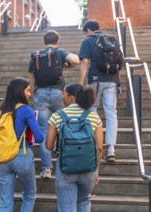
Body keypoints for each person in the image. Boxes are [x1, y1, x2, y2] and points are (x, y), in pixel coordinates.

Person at [28, 30, 80, 178]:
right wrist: (66, 66)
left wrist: (33, 91)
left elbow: (30, 75)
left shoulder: (36, 55)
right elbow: (76, 60)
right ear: (58, 41)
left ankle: (46, 169)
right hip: (59, 93)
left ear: (44, 42)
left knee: (44, 130)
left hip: (40, 94)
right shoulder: (59, 52)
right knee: (62, 125)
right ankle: (65, 162)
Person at [46, 83, 103, 212]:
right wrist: (96, 169)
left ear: (71, 97)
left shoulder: (57, 116)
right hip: (89, 169)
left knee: (67, 207)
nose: (62, 97)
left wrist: (60, 146)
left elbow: (48, 145)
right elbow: (99, 148)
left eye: (64, 94)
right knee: (83, 201)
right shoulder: (93, 116)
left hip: (66, 167)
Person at [0, 77, 44, 212]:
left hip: (3, 158)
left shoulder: (0, 109)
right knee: (29, 195)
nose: (30, 94)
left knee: (5, 200)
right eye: (28, 90)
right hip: (21, 155)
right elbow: (39, 137)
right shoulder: (25, 110)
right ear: (20, 92)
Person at [78, 19, 118, 162]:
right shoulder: (111, 38)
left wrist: (80, 84)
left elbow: (85, 62)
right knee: (111, 113)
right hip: (112, 80)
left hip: (95, 79)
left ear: (88, 30)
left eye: (84, 32)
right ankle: (111, 149)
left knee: (92, 110)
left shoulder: (88, 40)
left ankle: (92, 145)